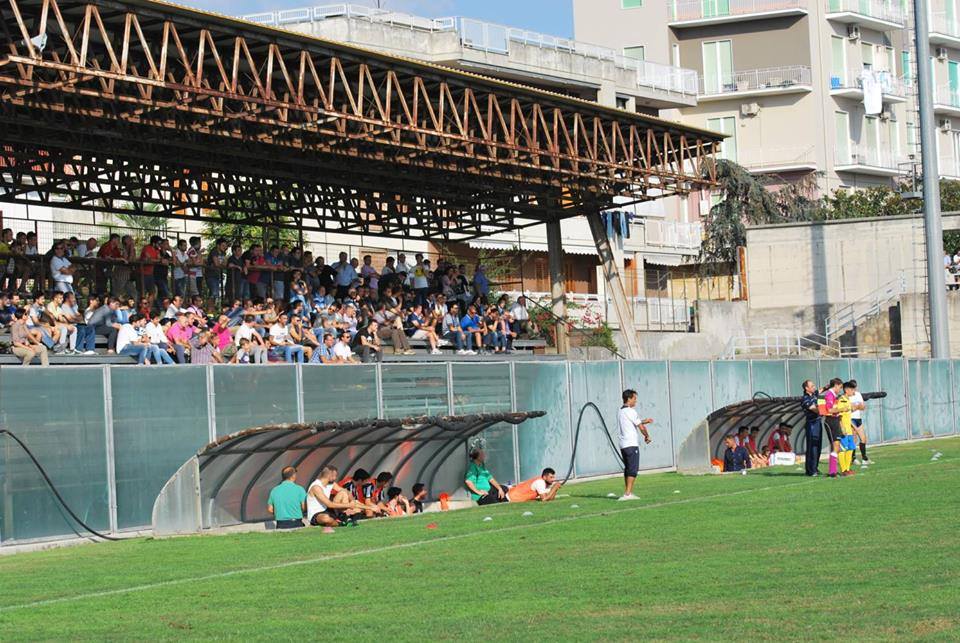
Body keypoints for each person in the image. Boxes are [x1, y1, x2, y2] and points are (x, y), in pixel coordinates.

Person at [617, 389, 653, 501]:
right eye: (634, 399)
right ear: (629, 399)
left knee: (628, 468)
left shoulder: (621, 411)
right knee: (633, 469)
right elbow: (641, 427)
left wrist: (644, 421)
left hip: (623, 445)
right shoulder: (631, 411)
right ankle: (628, 494)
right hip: (631, 444)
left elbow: (632, 422)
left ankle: (628, 492)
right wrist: (647, 436)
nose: (635, 401)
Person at [818, 378, 844, 478]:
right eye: (840, 387)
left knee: (836, 447)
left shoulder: (833, 395)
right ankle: (832, 471)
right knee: (835, 446)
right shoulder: (829, 394)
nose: (840, 390)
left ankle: (833, 471)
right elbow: (829, 409)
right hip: (831, 421)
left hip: (835, 420)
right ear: (836, 385)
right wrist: (842, 409)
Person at [801, 379, 822, 477]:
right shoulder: (805, 399)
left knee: (818, 446)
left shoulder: (814, 394)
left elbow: (821, 390)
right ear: (806, 388)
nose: (814, 387)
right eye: (812, 386)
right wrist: (826, 409)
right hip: (811, 424)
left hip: (818, 422)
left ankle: (815, 468)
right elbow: (815, 410)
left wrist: (829, 386)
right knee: (812, 447)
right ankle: (810, 470)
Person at [848, 379, 870, 465]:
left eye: (855, 387)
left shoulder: (858, 394)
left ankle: (864, 458)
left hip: (858, 418)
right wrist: (857, 406)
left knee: (863, 438)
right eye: (852, 388)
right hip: (851, 419)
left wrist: (856, 407)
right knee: (854, 439)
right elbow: (849, 409)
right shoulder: (847, 396)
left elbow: (863, 407)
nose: (854, 389)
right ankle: (853, 458)